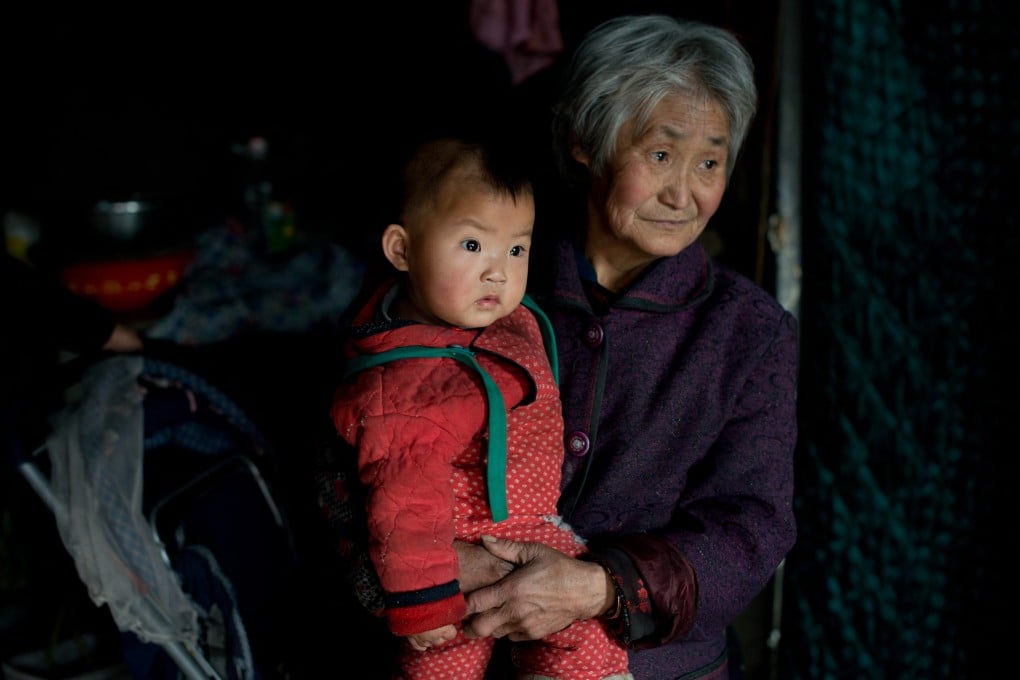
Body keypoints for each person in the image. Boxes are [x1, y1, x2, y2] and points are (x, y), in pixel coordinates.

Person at [318, 13, 798, 680]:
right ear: (585, 143)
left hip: (650, 665)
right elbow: (353, 447)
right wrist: (431, 568)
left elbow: (751, 526)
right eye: (660, 155)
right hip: (448, 643)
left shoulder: (748, 332)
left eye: (709, 162)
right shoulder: (478, 274)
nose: (684, 193)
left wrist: (598, 587)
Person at [328, 137, 631, 680]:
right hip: (462, 556)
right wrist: (424, 601)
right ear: (402, 250)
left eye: (516, 250)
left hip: (529, 531)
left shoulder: (489, 320)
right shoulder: (404, 386)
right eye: (472, 246)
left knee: (580, 642)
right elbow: (404, 501)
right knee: (454, 660)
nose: (498, 271)